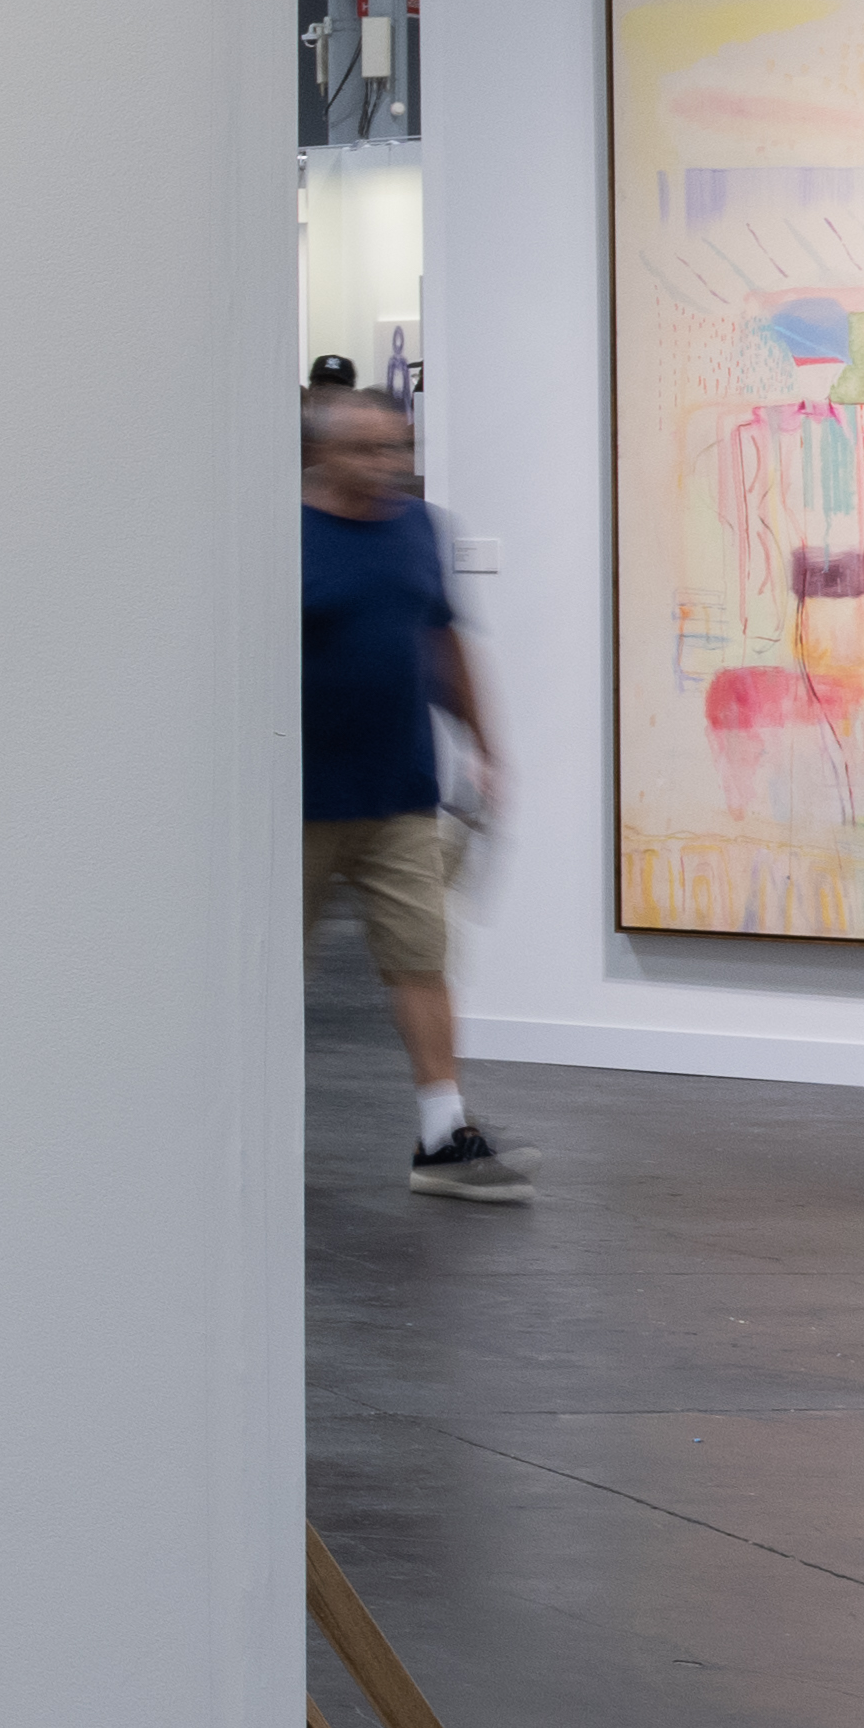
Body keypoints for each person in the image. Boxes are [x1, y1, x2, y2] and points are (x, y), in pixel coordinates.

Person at [302, 383, 518, 1201]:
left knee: (421, 961)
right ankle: (239, 1134)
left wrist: (485, 744)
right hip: (295, 804)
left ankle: (443, 1133)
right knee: (271, 975)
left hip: (400, 794)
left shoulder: (422, 529)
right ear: (322, 451)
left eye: (399, 447)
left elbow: (445, 638)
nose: (390, 464)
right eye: (368, 449)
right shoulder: (280, 533)